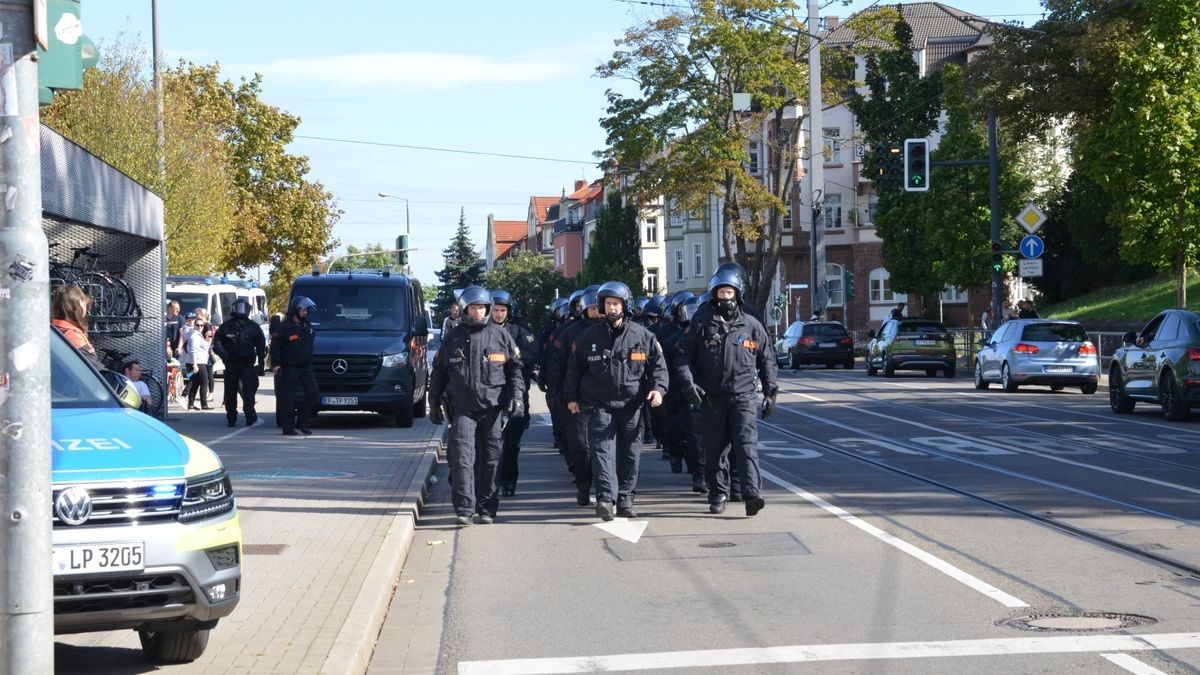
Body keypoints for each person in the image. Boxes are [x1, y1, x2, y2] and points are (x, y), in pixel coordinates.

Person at [675, 268, 778, 516]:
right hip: (712, 397)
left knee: (746, 445)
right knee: (716, 447)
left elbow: (767, 359)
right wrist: (689, 384)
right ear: (713, 295)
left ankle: (751, 493)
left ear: (738, 294)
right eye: (721, 292)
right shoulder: (700, 324)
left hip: (743, 396)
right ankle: (718, 492)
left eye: (729, 292)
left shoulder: (752, 326)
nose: (726, 297)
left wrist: (771, 390)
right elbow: (682, 357)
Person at [564, 281, 668, 522]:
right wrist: (571, 398)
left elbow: (659, 368)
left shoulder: (643, 336)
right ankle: (604, 499)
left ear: (625, 305)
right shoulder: (587, 337)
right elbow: (573, 370)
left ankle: (625, 498)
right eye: (607, 304)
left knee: (630, 454)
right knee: (602, 452)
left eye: (615, 304)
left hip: (632, 405)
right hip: (599, 403)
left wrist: (658, 390)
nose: (611, 308)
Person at [428, 286, 524, 525]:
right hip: (462, 409)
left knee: (491, 460)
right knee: (462, 459)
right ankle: (464, 509)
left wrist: (518, 398)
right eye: (473, 308)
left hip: (492, 410)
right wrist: (433, 404)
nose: (478, 312)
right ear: (464, 310)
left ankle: (486, 509)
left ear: (488, 309)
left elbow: (515, 371)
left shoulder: (501, 336)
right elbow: (438, 373)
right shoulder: (453, 337)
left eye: (482, 308)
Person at [543, 289, 602, 505]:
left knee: (606, 447)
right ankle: (583, 484)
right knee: (579, 446)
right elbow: (556, 364)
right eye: (593, 308)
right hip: (576, 398)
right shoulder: (569, 332)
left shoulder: (615, 331)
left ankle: (607, 488)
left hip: (608, 399)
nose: (597, 312)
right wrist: (558, 393)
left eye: (599, 307)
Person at [491, 290, 539, 497]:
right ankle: (490, 481)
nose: (499, 314)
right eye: (495, 310)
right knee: (490, 443)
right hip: (489, 392)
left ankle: (509, 481)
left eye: (502, 310)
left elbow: (532, 352)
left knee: (511, 442)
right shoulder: (482, 331)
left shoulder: (519, 330)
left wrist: (510, 356)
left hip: (515, 390)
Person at [214, 298, 268, 427]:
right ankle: (231, 417)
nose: (241, 311)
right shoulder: (226, 326)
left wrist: (261, 364)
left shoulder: (253, 327)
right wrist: (226, 356)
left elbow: (261, 346)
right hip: (231, 364)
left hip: (247, 364)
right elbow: (217, 344)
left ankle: (250, 414)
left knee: (249, 390)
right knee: (230, 392)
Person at [271, 296, 318, 436]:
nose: (306, 313)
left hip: (306, 367)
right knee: (288, 398)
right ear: (295, 310)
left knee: (313, 392)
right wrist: (276, 364)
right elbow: (275, 346)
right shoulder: (284, 326)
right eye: (304, 310)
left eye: (307, 310)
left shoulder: (307, 326)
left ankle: (303, 422)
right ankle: (288, 427)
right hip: (289, 367)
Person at [51, 284, 99, 366]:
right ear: (76, 306)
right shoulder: (72, 336)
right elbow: (93, 367)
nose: (86, 307)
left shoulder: (55, 329)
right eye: (84, 302)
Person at [183, 313, 214, 410]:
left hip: (197, 361)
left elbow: (204, 347)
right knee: (204, 382)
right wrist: (195, 365)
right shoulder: (194, 336)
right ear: (194, 325)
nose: (200, 327)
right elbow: (193, 350)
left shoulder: (197, 335)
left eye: (202, 325)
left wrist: (207, 341)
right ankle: (204, 404)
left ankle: (191, 403)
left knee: (195, 383)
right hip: (198, 362)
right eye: (198, 325)